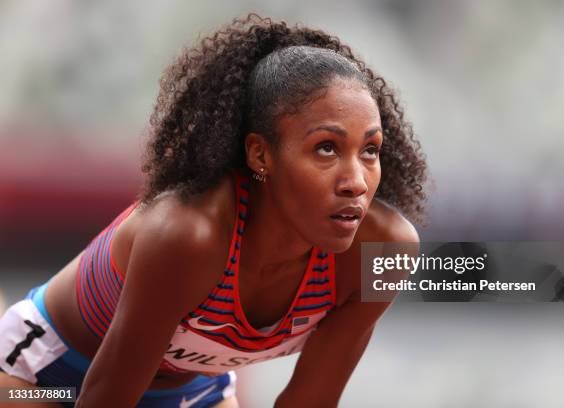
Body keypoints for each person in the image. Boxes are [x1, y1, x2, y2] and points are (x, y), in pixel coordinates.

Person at [0, 13, 427, 408]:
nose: (355, 180)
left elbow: (310, 401)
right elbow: (105, 396)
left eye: (370, 150)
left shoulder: (383, 251)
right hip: (48, 376)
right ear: (261, 156)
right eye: (326, 148)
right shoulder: (188, 234)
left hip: (195, 392)